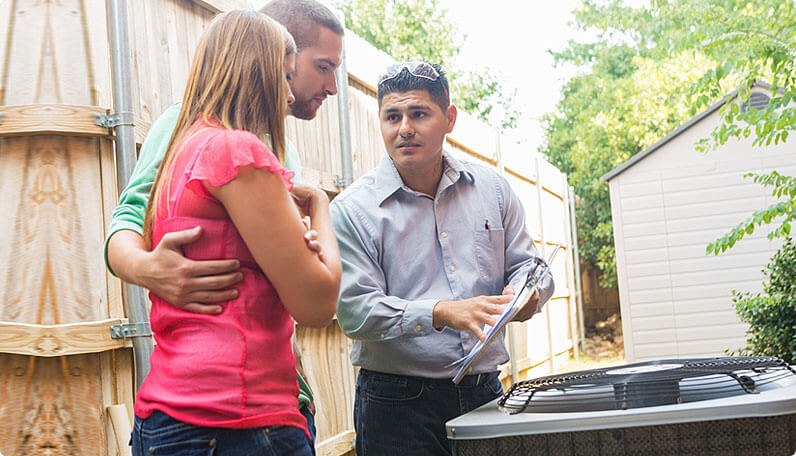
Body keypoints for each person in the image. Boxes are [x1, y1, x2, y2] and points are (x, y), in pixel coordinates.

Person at [103, 0, 344, 445]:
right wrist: (147, 269)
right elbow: (317, 303)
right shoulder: (224, 144)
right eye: (317, 67)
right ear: (266, 59)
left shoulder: (208, 143)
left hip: (186, 401)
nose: (329, 86)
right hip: (237, 413)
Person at [330, 61, 555, 455]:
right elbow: (355, 312)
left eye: (419, 114)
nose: (404, 129)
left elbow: (528, 266)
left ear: (449, 118)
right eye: (392, 116)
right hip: (395, 404)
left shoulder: (493, 190)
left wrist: (527, 293)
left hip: (486, 391)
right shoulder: (353, 209)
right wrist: (441, 312)